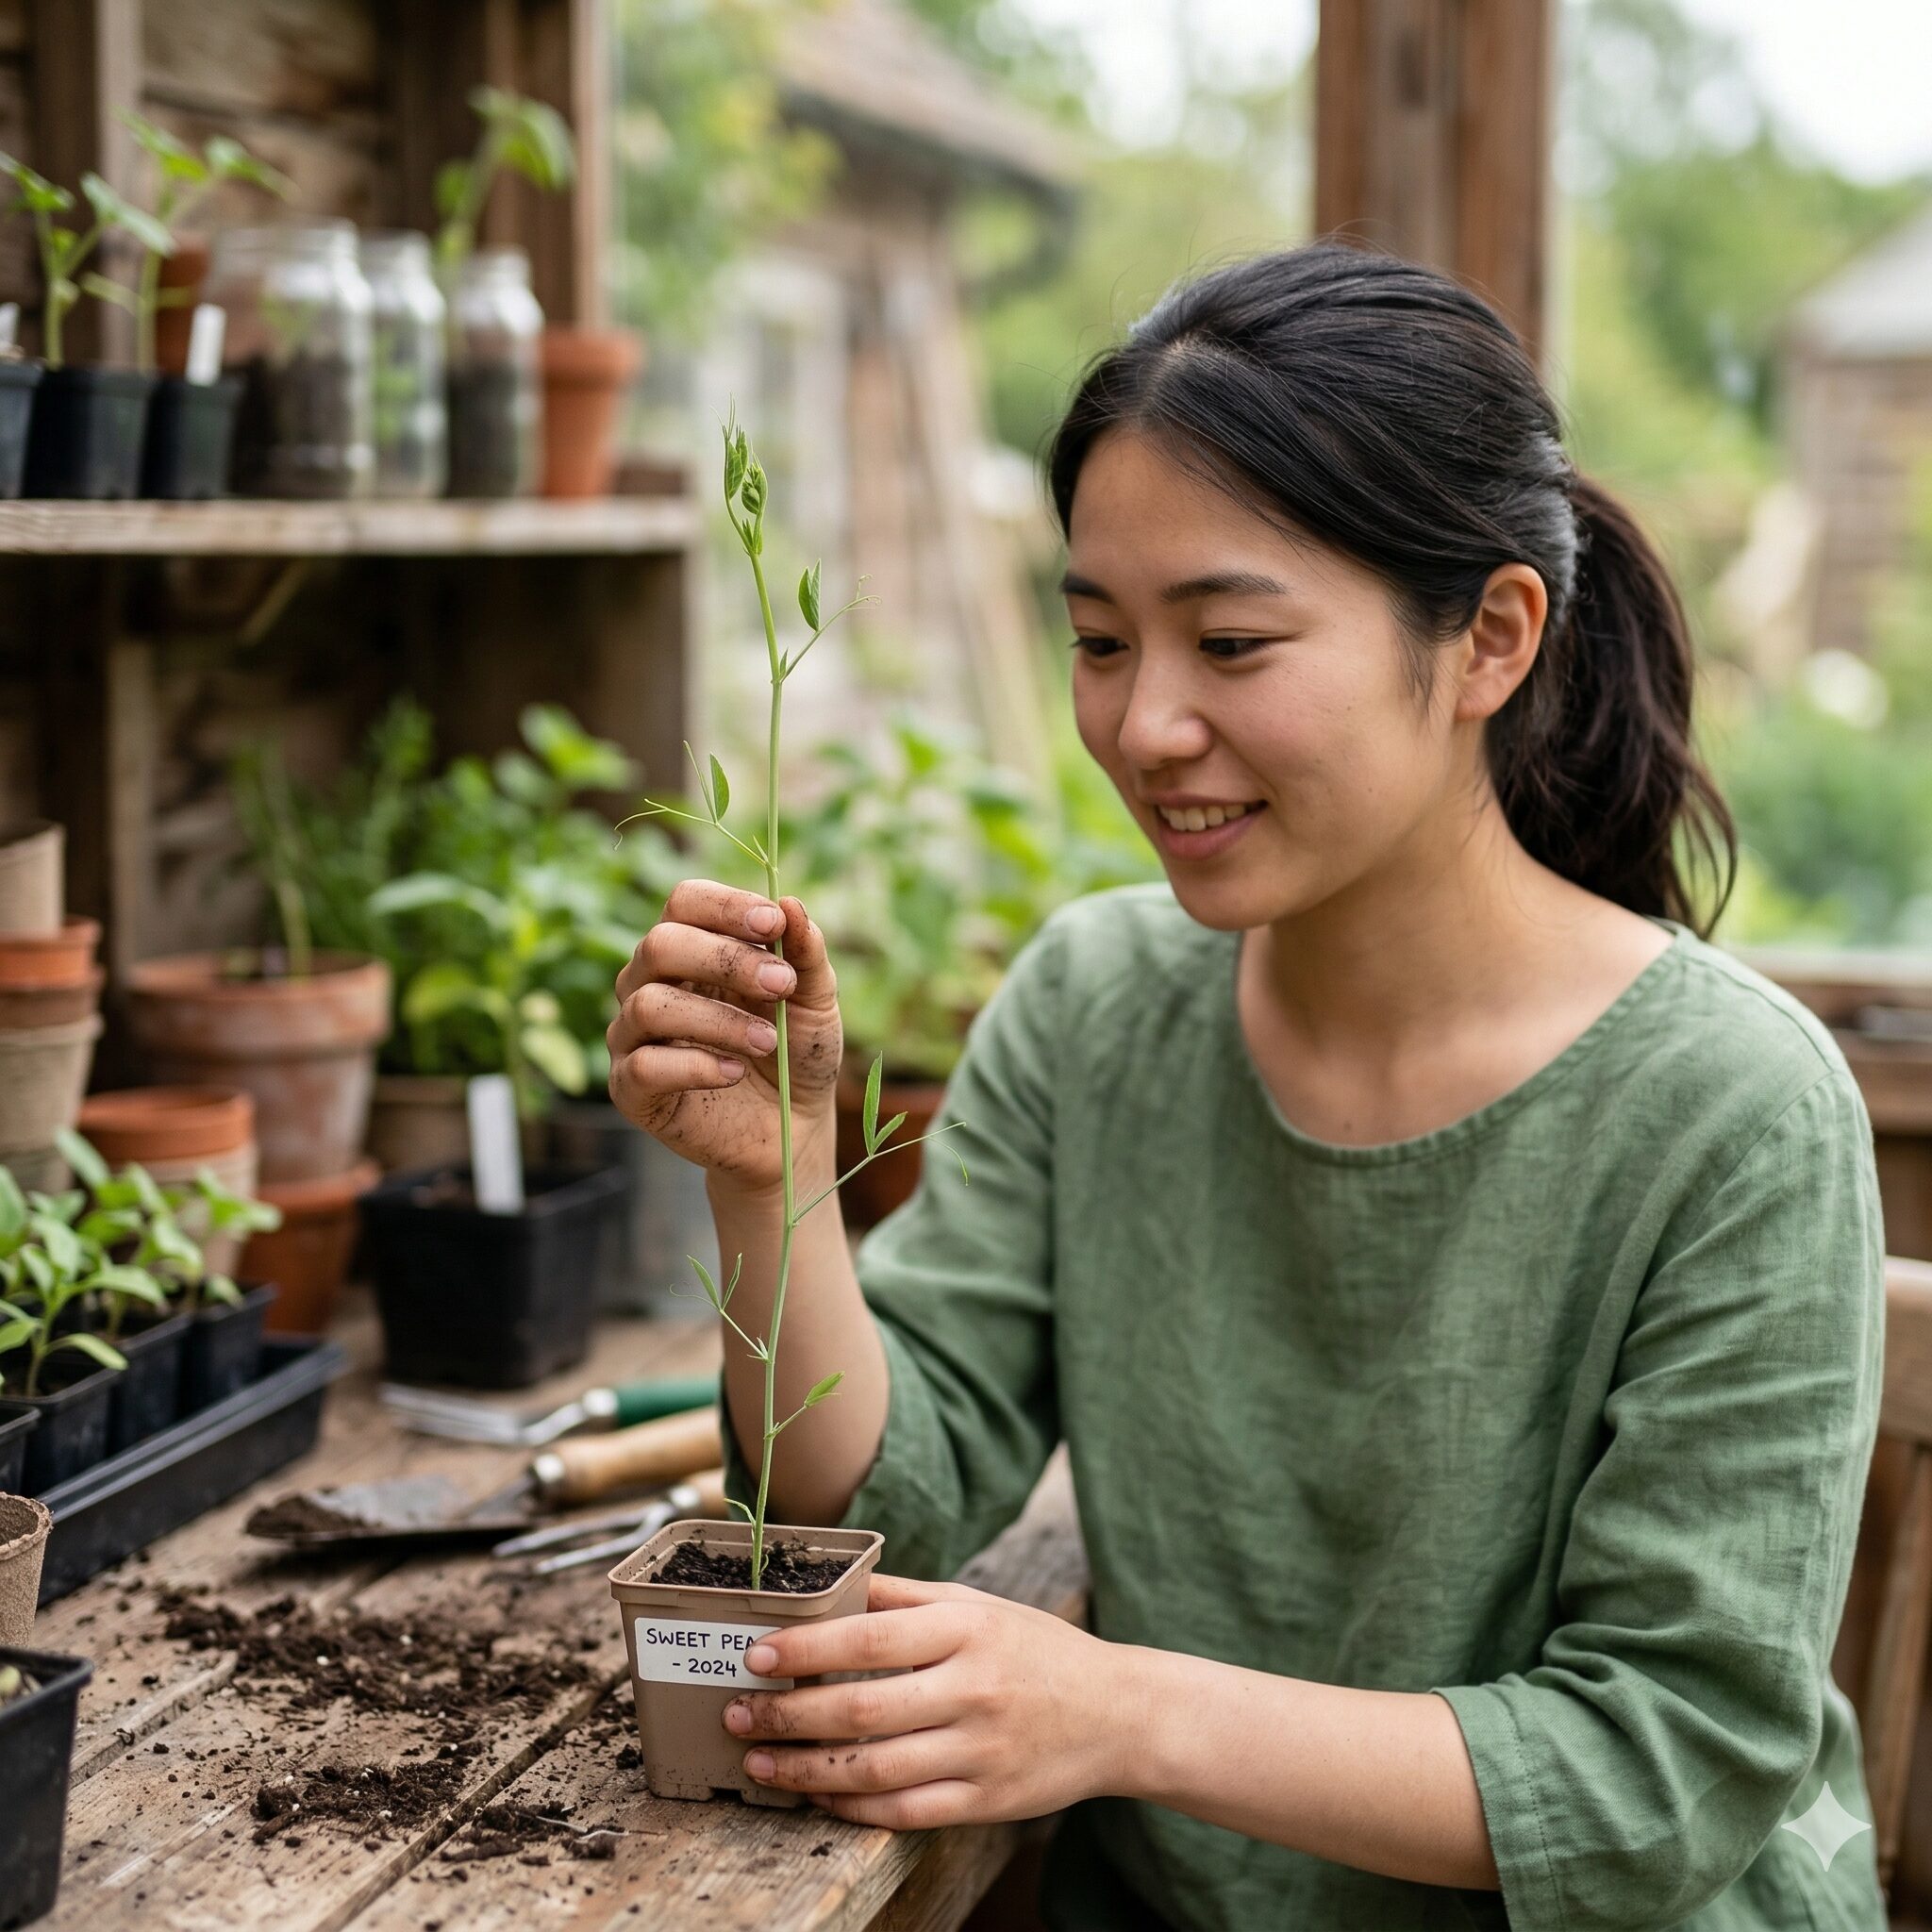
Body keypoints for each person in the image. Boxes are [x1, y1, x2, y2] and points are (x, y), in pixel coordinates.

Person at [605, 243, 1887, 1931]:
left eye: (1229, 640)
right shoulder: (1096, 999)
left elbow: (1670, 1772)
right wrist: (771, 1187)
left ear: (1492, 637)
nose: (1144, 727)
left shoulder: (1735, 1109)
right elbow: (883, 1492)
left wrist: (1118, 1709)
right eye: (1100, 641)